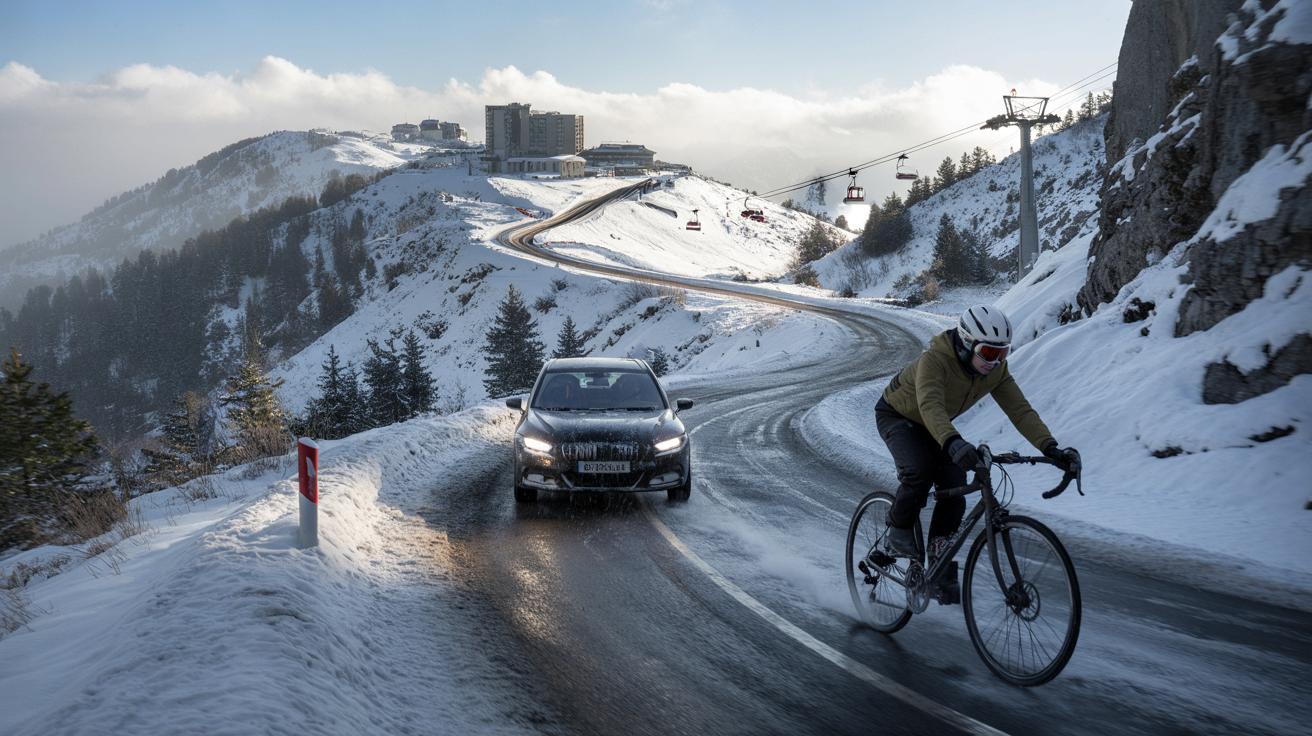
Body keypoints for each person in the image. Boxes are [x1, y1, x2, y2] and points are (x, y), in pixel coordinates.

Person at [876, 305, 1080, 600]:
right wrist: (952, 442)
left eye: (1003, 353)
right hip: (898, 415)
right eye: (988, 353)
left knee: (955, 484)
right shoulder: (936, 360)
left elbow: (1020, 411)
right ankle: (898, 529)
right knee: (919, 471)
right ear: (966, 343)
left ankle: (938, 555)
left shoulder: (995, 372)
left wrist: (1050, 447)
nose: (995, 362)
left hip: (937, 424)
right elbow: (930, 405)